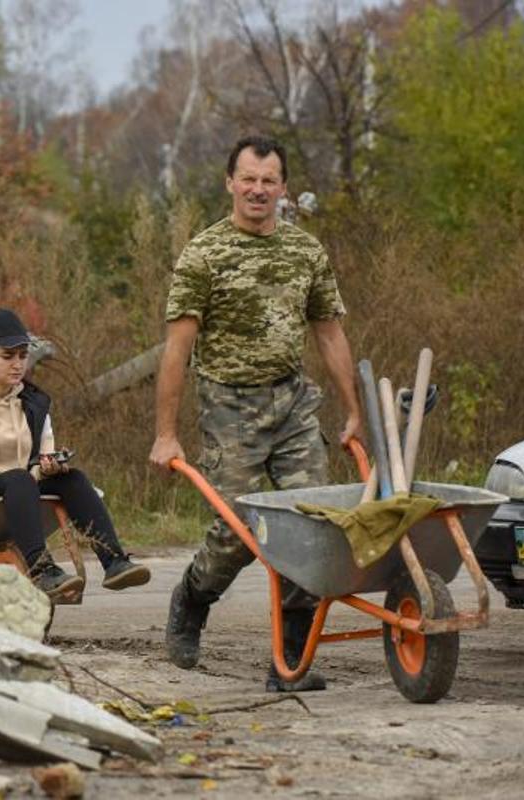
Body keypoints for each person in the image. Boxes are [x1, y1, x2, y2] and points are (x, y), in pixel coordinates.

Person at [148, 135, 362, 692]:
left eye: (269, 181)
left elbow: (330, 332)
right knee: (241, 532)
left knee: (311, 526)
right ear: (230, 182)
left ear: (283, 188)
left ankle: (289, 661)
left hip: (292, 402)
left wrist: (354, 412)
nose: (258, 190)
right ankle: (192, 598)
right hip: (229, 406)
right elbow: (177, 349)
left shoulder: (305, 252)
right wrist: (166, 434)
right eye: (248, 178)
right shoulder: (205, 254)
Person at [0, 309, 151, 599]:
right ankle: (40, 569)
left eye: (23, 356)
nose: (17, 364)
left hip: (18, 491)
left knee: (72, 478)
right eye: (7, 356)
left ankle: (114, 561)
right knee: (20, 480)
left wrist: (48, 467)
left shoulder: (34, 402)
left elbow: (37, 464)